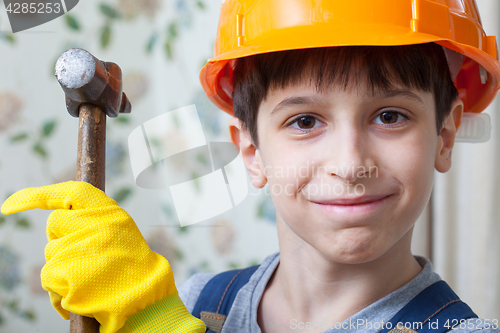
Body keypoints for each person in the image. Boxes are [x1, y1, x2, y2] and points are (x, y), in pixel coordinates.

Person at [2, 1, 500, 333]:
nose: (350, 165)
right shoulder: (200, 302)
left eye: (390, 116)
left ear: (445, 135)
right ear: (252, 151)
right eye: (305, 121)